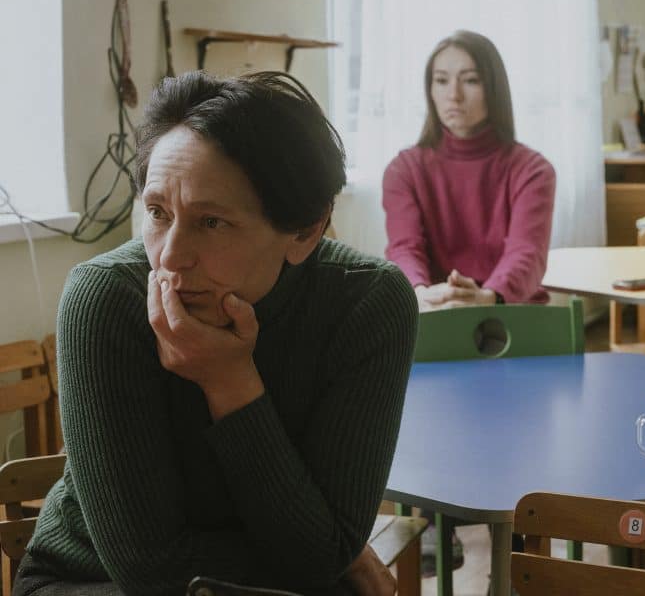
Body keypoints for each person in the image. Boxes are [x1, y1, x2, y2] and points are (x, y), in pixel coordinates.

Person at [16, 71, 417, 596]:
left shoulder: (367, 304)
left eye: (212, 223)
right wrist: (327, 556)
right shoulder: (105, 300)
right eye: (158, 213)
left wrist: (230, 382)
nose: (170, 257)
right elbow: (151, 571)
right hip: (91, 584)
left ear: (306, 230)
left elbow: (323, 551)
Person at [382, 30, 556, 312]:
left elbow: (527, 253)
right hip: (433, 309)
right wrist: (420, 293)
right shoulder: (403, 170)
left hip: (511, 312)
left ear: (494, 88)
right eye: (441, 80)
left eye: (471, 80)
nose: (454, 95)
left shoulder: (533, 169)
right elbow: (404, 248)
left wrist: (490, 296)